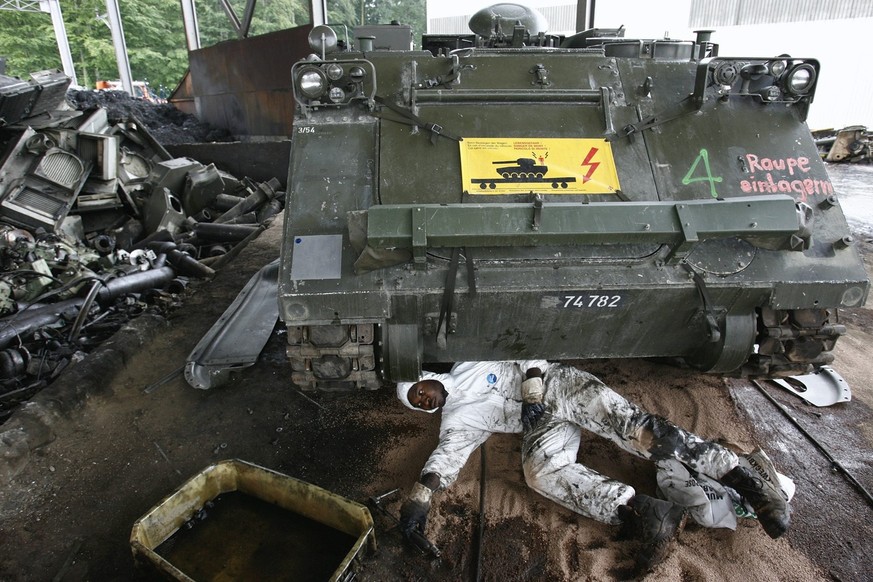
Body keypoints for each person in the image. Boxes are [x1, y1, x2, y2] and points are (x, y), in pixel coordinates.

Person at [396, 361, 793, 573]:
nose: (424, 401)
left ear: (426, 378)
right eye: (417, 404)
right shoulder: (456, 420)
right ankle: (643, 511)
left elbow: (520, 339)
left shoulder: (469, 361)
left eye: (419, 392)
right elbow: (446, 456)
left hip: (559, 387)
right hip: (543, 425)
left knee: (637, 432)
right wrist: (419, 500)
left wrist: (533, 382)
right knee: (539, 472)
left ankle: (747, 480)